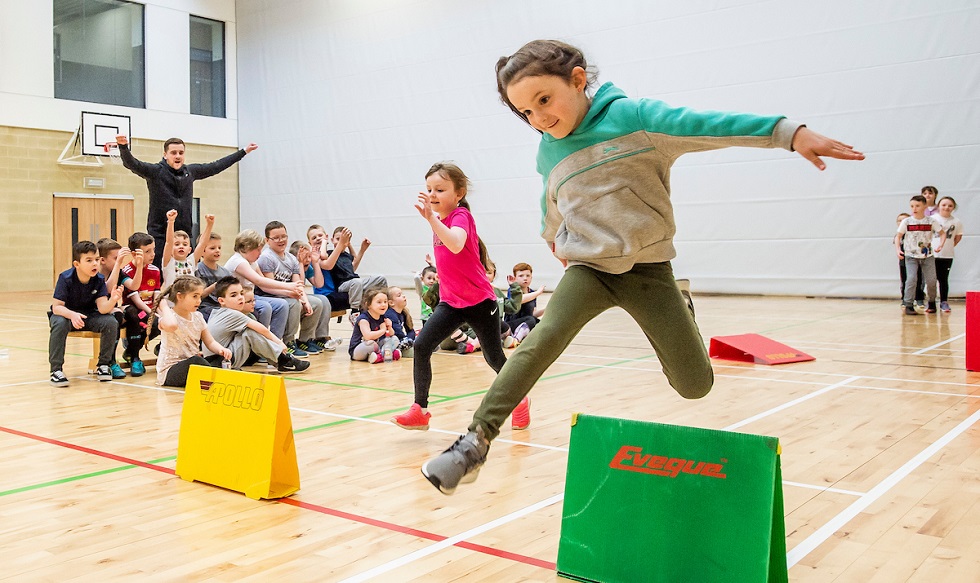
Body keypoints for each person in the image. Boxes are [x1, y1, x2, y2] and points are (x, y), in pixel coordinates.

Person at [421, 39, 865, 494]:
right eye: (526, 113)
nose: (539, 118)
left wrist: (789, 133)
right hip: (589, 271)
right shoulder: (548, 152)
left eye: (543, 100)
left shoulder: (636, 120)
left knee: (695, 386)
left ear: (577, 80)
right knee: (542, 338)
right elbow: (551, 198)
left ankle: (683, 310)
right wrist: (551, 234)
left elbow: (710, 126)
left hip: (649, 270)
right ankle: (474, 443)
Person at [391, 162, 510, 431]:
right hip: (452, 303)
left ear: (459, 193)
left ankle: (520, 397)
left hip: (480, 303)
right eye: (429, 189)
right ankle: (420, 410)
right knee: (422, 346)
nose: (432, 194)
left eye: (440, 189)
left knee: (494, 359)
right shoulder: (439, 221)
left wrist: (430, 219)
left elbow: (456, 244)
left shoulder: (460, 216)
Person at [115, 134, 257, 268]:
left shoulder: (190, 171)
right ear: (165, 155)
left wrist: (243, 152)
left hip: (185, 236)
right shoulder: (156, 172)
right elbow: (133, 164)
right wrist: (123, 147)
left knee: (189, 275)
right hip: (161, 236)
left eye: (181, 153)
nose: (178, 156)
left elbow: (216, 166)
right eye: (173, 152)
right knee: (162, 275)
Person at [48, 241, 124, 386]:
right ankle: (56, 370)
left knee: (110, 322)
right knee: (59, 323)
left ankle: (103, 365)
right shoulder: (65, 278)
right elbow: (57, 307)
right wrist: (72, 315)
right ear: (77, 264)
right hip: (66, 316)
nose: (94, 264)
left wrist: (113, 299)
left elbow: (102, 309)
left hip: (89, 316)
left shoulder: (99, 279)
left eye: (96, 259)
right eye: (89, 260)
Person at [204, 276, 311, 373]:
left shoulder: (217, 312)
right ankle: (284, 360)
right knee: (249, 332)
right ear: (222, 301)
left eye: (241, 293)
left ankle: (281, 359)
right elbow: (262, 330)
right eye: (234, 295)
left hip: (220, 358)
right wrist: (279, 343)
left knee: (247, 332)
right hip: (218, 362)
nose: (240, 297)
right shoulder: (232, 314)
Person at [257, 221, 330, 355]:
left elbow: (298, 284)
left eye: (284, 236)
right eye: (276, 238)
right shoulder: (266, 257)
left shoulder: (291, 258)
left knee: (317, 303)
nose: (281, 240)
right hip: (270, 296)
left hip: (288, 294)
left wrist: (305, 300)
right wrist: (293, 295)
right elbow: (269, 285)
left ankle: (304, 340)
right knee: (293, 303)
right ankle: (288, 342)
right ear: (267, 240)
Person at [153, 276, 231, 387]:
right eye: (195, 296)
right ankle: (219, 380)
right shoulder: (168, 318)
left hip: (193, 366)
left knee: (221, 358)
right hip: (170, 371)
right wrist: (164, 306)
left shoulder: (198, 316)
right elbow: (172, 325)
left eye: (200, 296)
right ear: (179, 296)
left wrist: (222, 350)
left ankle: (223, 378)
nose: (199, 301)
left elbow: (210, 342)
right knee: (196, 361)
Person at [224, 229, 294, 349]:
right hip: (237, 301)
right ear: (247, 247)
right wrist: (289, 285)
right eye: (258, 249)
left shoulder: (252, 262)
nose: (260, 253)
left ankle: (274, 346)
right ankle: (260, 347)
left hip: (250, 298)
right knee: (264, 307)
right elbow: (258, 280)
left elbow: (264, 285)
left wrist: (288, 293)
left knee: (282, 304)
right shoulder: (238, 261)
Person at [320, 226, 387, 320]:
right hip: (342, 285)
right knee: (357, 282)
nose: (340, 241)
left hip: (355, 282)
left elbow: (355, 261)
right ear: (332, 240)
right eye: (338, 239)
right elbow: (323, 255)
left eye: (342, 239)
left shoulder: (347, 256)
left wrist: (356, 246)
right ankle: (355, 312)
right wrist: (324, 241)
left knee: (381, 278)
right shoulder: (330, 253)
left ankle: (382, 303)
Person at [291, 240, 344, 351]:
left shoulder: (308, 265)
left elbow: (319, 284)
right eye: (305, 257)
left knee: (324, 300)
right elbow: (300, 284)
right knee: (316, 303)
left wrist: (315, 263)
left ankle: (320, 337)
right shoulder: (293, 265)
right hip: (292, 295)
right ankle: (302, 340)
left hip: (300, 295)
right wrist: (300, 264)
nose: (308, 260)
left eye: (309, 256)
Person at [121, 232, 162, 376]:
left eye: (153, 250)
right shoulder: (126, 271)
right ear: (134, 254)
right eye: (147, 251)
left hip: (150, 309)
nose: (153, 254)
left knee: (160, 323)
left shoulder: (155, 270)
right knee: (146, 318)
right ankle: (134, 357)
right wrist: (153, 315)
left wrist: (160, 313)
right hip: (137, 309)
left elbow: (157, 295)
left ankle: (131, 350)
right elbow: (137, 301)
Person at [897, 195, 945, 315]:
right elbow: (898, 236)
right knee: (911, 279)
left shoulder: (931, 221)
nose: (914, 208)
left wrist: (940, 245)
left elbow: (942, 233)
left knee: (931, 280)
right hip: (911, 256)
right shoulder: (907, 221)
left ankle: (932, 302)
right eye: (912, 206)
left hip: (927, 255)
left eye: (917, 206)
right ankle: (908, 304)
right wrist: (898, 249)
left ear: (924, 206)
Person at [96, 238, 133, 379]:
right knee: (114, 318)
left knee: (134, 315)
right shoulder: (96, 275)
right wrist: (118, 264)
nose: (120, 261)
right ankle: (110, 360)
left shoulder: (119, 272)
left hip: (111, 309)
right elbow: (108, 289)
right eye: (115, 258)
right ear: (102, 260)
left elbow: (134, 286)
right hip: (98, 312)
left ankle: (132, 353)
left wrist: (140, 265)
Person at [161, 210, 213, 289]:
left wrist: (209, 225)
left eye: (185, 244)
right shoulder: (168, 261)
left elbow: (202, 243)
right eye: (177, 244)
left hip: (188, 299)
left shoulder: (191, 261)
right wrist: (171, 222)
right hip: (172, 300)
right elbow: (169, 242)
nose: (181, 246)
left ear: (189, 250)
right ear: (171, 249)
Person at [348, 288, 401, 364]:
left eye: (385, 302)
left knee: (395, 339)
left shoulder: (382, 317)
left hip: (375, 348)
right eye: (379, 302)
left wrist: (389, 327)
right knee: (371, 344)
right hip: (359, 350)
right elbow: (368, 336)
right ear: (368, 304)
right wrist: (383, 330)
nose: (383, 305)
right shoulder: (363, 319)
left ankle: (378, 356)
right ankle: (387, 355)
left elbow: (391, 334)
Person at [932, 196, 964, 312]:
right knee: (931, 280)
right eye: (944, 205)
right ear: (938, 206)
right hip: (932, 255)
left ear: (953, 207)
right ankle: (930, 302)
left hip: (947, 255)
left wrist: (949, 246)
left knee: (943, 279)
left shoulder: (956, 221)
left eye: (950, 205)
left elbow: (958, 237)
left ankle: (944, 302)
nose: (946, 207)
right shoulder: (932, 219)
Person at [195, 231, 232, 321]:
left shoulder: (226, 272)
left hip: (223, 306)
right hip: (205, 307)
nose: (217, 251)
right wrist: (215, 286)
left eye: (219, 248)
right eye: (212, 248)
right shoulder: (197, 270)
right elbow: (199, 295)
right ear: (202, 252)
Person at [504, 262, 545, 340]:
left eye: (528, 275)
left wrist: (547, 309)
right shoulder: (512, 290)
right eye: (521, 276)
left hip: (527, 321)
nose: (525, 278)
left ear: (531, 278)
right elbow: (519, 300)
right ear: (515, 278)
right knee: (531, 319)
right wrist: (538, 292)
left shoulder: (532, 293)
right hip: (512, 323)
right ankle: (516, 338)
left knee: (539, 322)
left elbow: (533, 314)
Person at [384, 286, 416, 356]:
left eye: (402, 294)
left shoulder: (403, 313)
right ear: (391, 302)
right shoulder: (390, 314)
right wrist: (408, 340)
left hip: (402, 341)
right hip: (392, 343)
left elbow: (411, 330)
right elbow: (398, 334)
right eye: (399, 295)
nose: (404, 296)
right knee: (418, 352)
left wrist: (409, 339)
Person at [413, 256, 437, 325]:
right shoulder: (421, 289)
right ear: (422, 278)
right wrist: (419, 274)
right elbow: (416, 278)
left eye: (434, 279)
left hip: (436, 316)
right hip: (426, 318)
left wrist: (432, 265)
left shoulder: (438, 288)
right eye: (429, 278)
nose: (432, 281)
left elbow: (442, 274)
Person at [893, 213, 910, 303]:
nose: (902, 222)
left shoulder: (913, 234)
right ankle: (904, 298)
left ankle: (918, 298)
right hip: (903, 261)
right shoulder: (898, 235)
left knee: (916, 280)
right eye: (900, 220)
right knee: (904, 280)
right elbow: (897, 245)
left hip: (915, 259)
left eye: (904, 220)